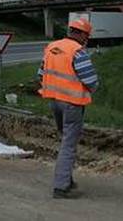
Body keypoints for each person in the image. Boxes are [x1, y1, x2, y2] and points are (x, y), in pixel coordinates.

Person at [38, 19, 98, 199]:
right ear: (81, 34)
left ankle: (67, 180)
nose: (86, 40)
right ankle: (61, 186)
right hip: (72, 103)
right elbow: (91, 80)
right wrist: (92, 88)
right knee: (69, 144)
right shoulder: (77, 52)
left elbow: (40, 74)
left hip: (54, 101)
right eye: (86, 36)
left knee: (65, 140)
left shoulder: (51, 47)